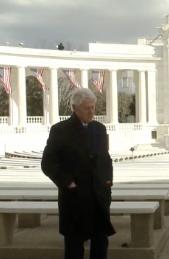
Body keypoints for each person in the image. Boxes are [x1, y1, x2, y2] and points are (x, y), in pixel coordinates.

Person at [42, 88, 115, 259]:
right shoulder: (60, 130)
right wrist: (68, 182)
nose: (92, 112)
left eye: (93, 107)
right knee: (74, 246)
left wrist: (108, 182)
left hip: (98, 197)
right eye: (87, 108)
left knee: (100, 245)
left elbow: (105, 158)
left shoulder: (99, 129)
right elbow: (48, 163)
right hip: (74, 197)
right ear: (75, 108)